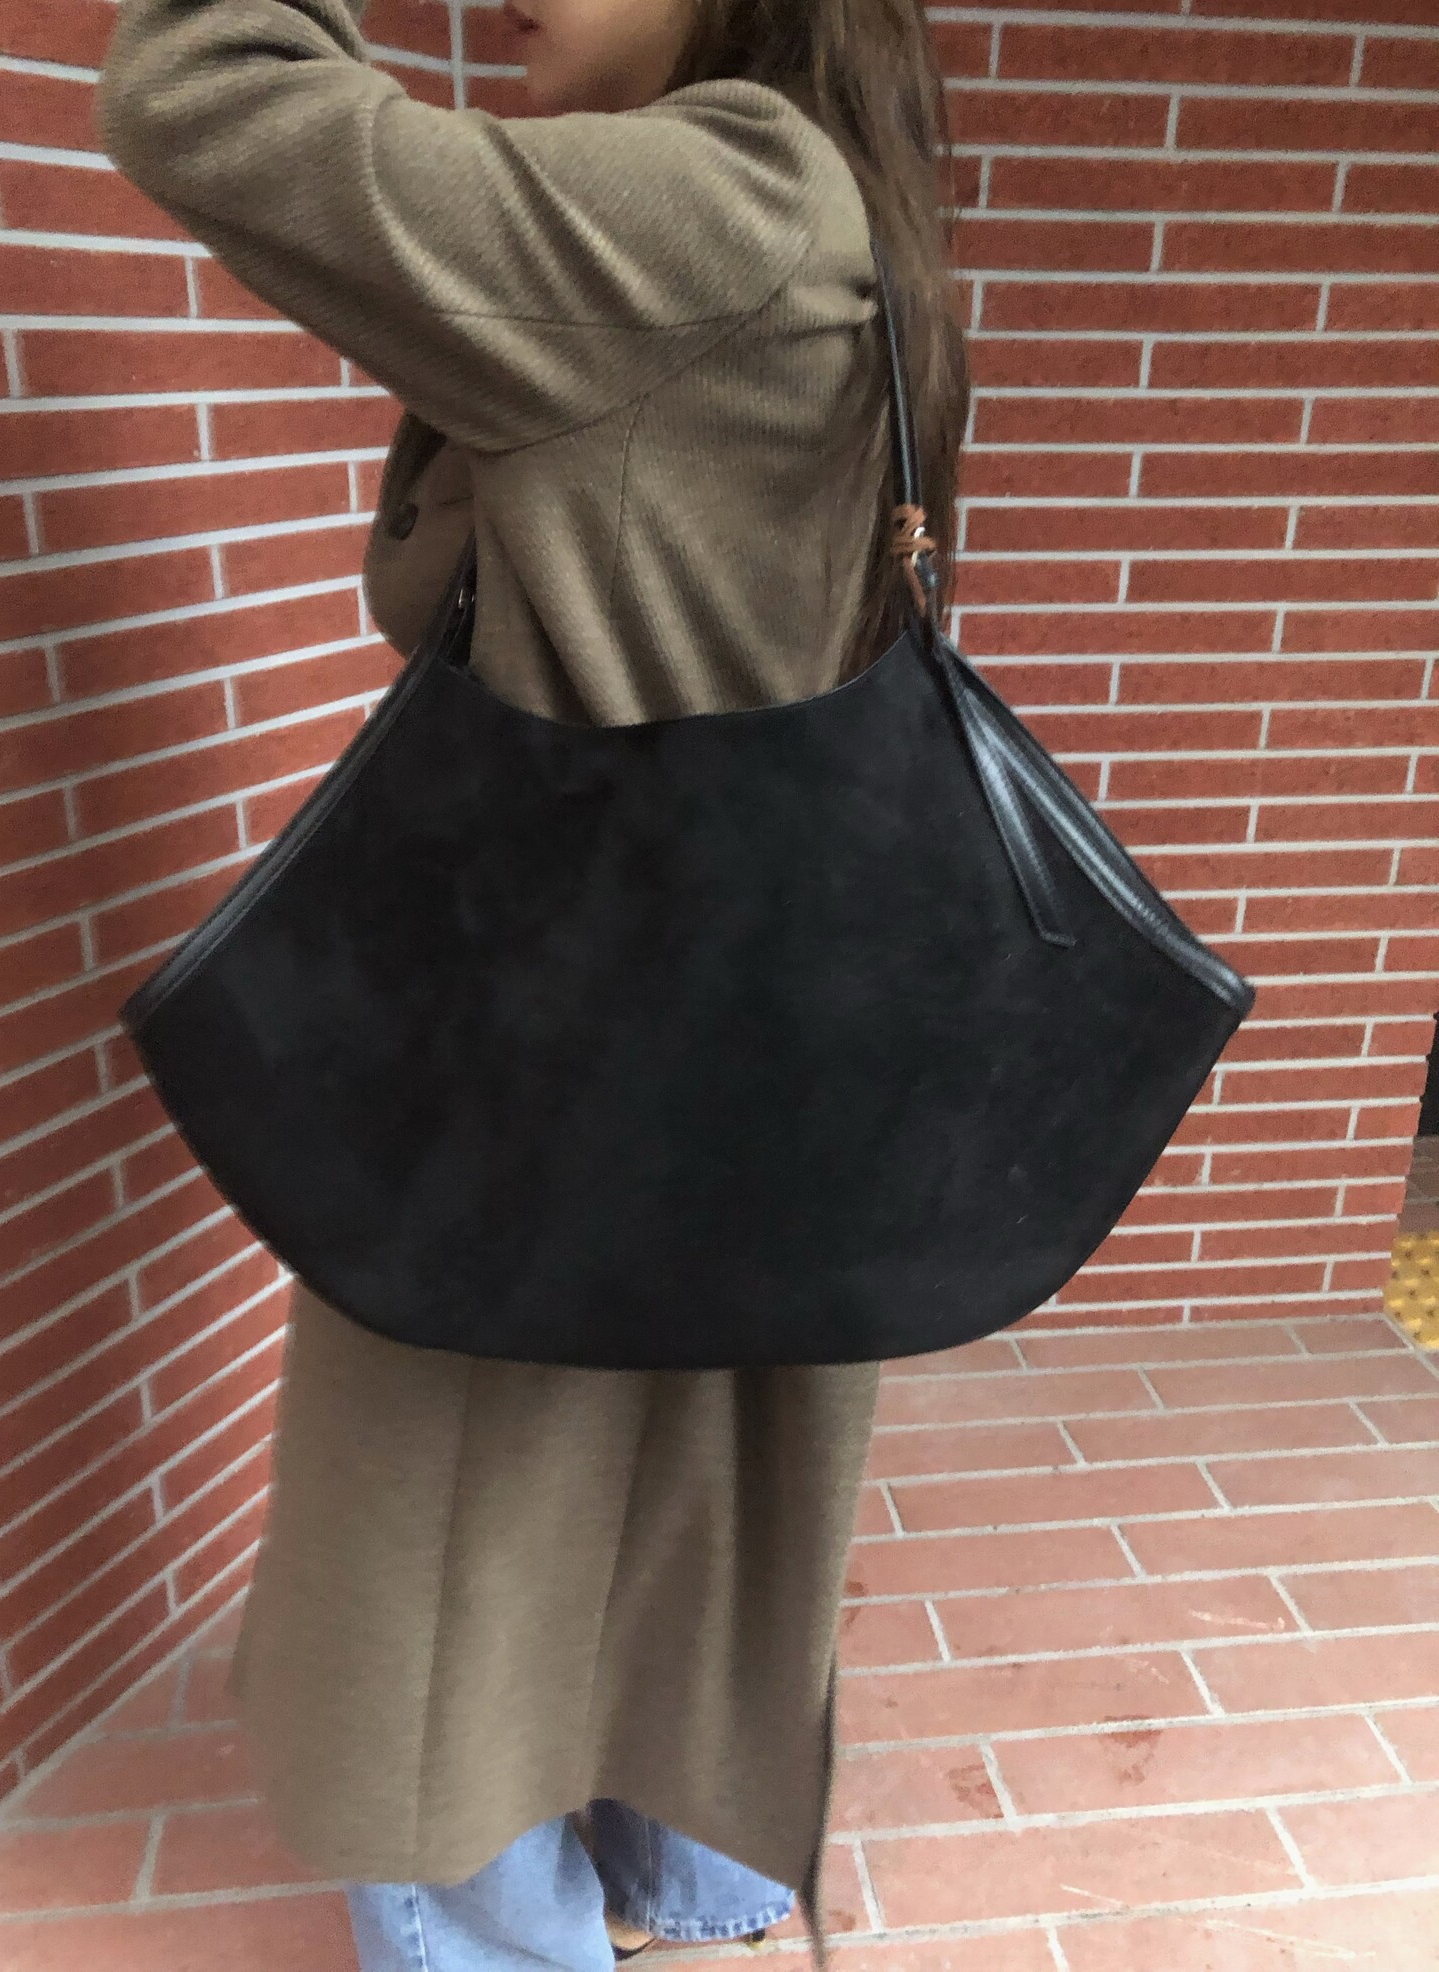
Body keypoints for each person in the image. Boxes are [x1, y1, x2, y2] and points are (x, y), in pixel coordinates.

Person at [96, 2, 971, 1967]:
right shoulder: (840, 201)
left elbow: (200, 88)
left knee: (437, 1514)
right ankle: (694, 1881)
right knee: (684, 1458)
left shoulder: (715, 201)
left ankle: (498, 1935)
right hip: (753, 994)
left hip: (553, 1014)